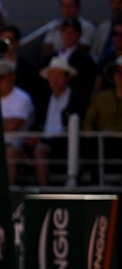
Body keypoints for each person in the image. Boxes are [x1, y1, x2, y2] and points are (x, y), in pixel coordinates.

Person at [32, 56, 85, 186]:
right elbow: (37, 122)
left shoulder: (76, 100)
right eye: (52, 75)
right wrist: (33, 136)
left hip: (66, 143)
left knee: (40, 151)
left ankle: (45, 191)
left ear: (68, 78)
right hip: (45, 141)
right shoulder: (44, 99)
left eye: (59, 75)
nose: (54, 80)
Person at [0, 58, 35, 186]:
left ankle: (9, 191)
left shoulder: (22, 98)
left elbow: (12, 126)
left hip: (18, 147)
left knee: (9, 153)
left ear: (12, 77)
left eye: (1, 77)